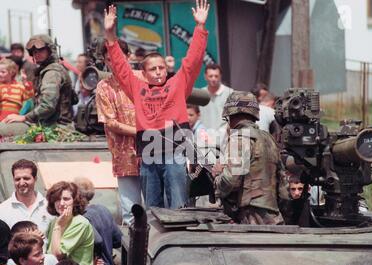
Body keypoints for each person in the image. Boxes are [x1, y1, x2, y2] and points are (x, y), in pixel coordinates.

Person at [104, 0, 210, 209]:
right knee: (152, 210)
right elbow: (119, 65)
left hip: (175, 154)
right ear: (143, 73)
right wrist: (109, 33)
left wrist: (199, 27)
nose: (159, 71)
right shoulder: (136, 87)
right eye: (153, 69)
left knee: (179, 207)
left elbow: (193, 60)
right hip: (148, 156)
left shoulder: (177, 84)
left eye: (161, 67)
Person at [212, 91, 288, 225]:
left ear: (231, 115)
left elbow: (230, 181)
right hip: (274, 216)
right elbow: (282, 182)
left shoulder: (239, 138)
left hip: (252, 216)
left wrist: (218, 174)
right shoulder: (268, 138)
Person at [96, 39, 142, 223]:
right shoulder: (103, 86)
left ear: (128, 56)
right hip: (125, 156)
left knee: (157, 208)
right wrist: (141, 131)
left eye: (118, 57)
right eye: (109, 59)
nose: (113, 62)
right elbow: (111, 123)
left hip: (153, 151)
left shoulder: (144, 78)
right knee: (131, 213)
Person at [0, 35, 74, 137]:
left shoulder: (52, 72)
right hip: (46, 125)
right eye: (34, 52)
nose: (37, 54)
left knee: (2, 129)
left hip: (56, 128)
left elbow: (47, 106)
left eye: (41, 50)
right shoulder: (49, 70)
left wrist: (24, 117)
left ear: (50, 51)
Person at [73, 177, 122, 265]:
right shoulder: (103, 210)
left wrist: (94, 258)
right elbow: (118, 240)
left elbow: (97, 240)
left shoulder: (82, 217)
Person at [46, 181, 94, 265]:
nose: (61, 203)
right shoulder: (55, 222)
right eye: (57, 199)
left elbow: (57, 255)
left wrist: (58, 227)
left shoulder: (79, 223)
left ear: (75, 201)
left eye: (66, 199)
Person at [0, 159, 53, 235]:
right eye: (17, 179)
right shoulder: (2, 210)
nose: (21, 183)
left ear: (35, 179)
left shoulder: (49, 207)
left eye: (26, 178)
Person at [199, 63, 233, 131]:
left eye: (216, 76)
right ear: (205, 76)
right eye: (210, 76)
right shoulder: (201, 94)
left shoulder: (230, 93)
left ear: (220, 76)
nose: (213, 79)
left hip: (224, 136)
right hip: (205, 136)